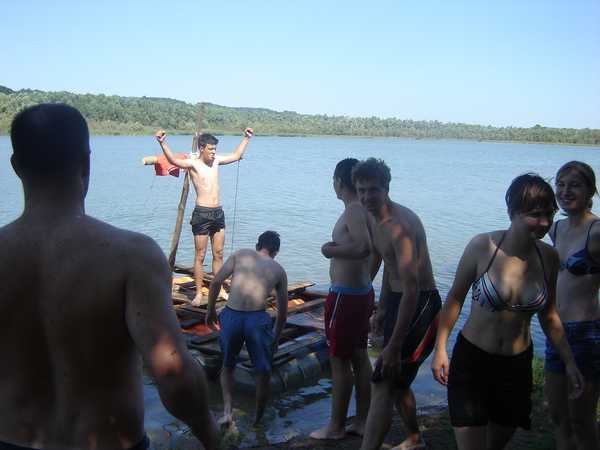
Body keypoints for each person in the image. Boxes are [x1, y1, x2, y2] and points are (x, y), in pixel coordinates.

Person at [1, 104, 217, 450]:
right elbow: (175, 377)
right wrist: (208, 431)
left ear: (16, 166)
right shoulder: (132, 255)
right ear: (86, 163)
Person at [431, 173, 585, 450]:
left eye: (549, 214)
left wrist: (570, 362)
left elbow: (549, 316)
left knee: (497, 443)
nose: (544, 223)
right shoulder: (482, 247)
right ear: (512, 211)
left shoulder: (548, 257)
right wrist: (440, 348)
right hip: (473, 361)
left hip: (516, 365)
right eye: (535, 215)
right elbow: (454, 298)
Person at [354, 158, 442, 450]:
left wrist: (393, 345)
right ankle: (414, 438)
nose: (367, 197)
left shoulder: (399, 227)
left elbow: (412, 289)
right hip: (397, 300)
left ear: (387, 188)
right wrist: (381, 308)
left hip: (420, 307)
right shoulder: (373, 217)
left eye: (373, 190)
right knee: (398, 380)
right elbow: (386, 263)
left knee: (382, 381)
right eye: (361, 190)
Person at [310, 158, 375, 440]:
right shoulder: (365, 210)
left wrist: (329, 250)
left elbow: (363, 247)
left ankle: (336, 427)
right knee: (360, 356)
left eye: (333, 181)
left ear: (339, 182)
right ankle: (362, 421)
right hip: (360, 293)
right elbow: (375, 250)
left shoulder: (353, 210)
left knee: (339, 361)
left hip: (346, 297)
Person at [155, 127, 253, 306]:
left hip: (218, 213)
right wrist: (162, 143)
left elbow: (236, 155)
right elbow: (173, 160)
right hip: (202, 213)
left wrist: (246, 138)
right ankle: (199, 292)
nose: (214, 152)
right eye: (211, 149)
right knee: (200, 255)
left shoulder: (216, 161)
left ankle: (220, 288)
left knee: (219, 254)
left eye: (215, 149)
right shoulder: (193, 164)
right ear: (202, 148)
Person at [205, 231, 288, 427]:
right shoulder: (278, 270)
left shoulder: (240, 254)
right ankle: (257, 420)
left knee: (227, 366)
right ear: (276, 252)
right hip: (256, 320)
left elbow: (216, 282)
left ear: (257, 245)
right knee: (263, 372)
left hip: (231, 316)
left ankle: (227, 412)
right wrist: (276, 338)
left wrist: (210, 310)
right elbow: (283, 312)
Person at [545, 161, 600, 450]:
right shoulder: (556, 228)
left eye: (574, 185)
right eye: (561, 184)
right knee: (557, 415)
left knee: (581, 418)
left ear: (590, 191)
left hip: (586, 334)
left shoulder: (596, 231)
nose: (565, 191)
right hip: (555, 330)